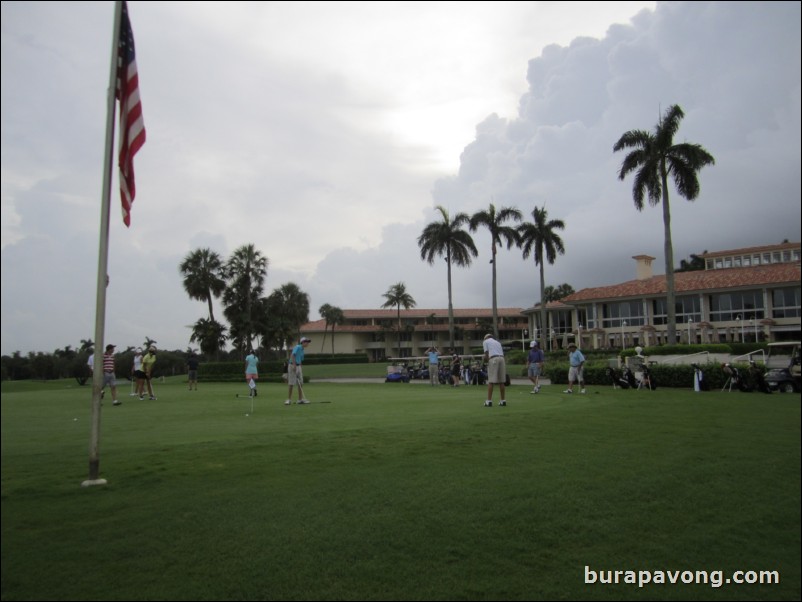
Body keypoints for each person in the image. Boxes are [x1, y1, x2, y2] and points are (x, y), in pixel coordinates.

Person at [482, 333, 507, 407]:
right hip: (502, 359)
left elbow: (486, 354)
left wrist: (486, 361)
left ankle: (489, 401)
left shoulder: (485, 341)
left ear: (486, 338)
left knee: (491, 381)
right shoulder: (498, 342)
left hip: (494, 359)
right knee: (501, 381)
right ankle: (503, 401)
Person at [286, 337, 311, 405]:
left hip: (298, 366)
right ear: (302, 342)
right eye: (306, 342)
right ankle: (289, 400)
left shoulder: (302, 350)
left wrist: (300, 368)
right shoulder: (297, 347)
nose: (307, 343)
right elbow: (293, 355)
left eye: (308, 342)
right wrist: (294, 366)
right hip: (292, 365)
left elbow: (300, 360)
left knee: (301, 382)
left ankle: (300, 399)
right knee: (291, 383)